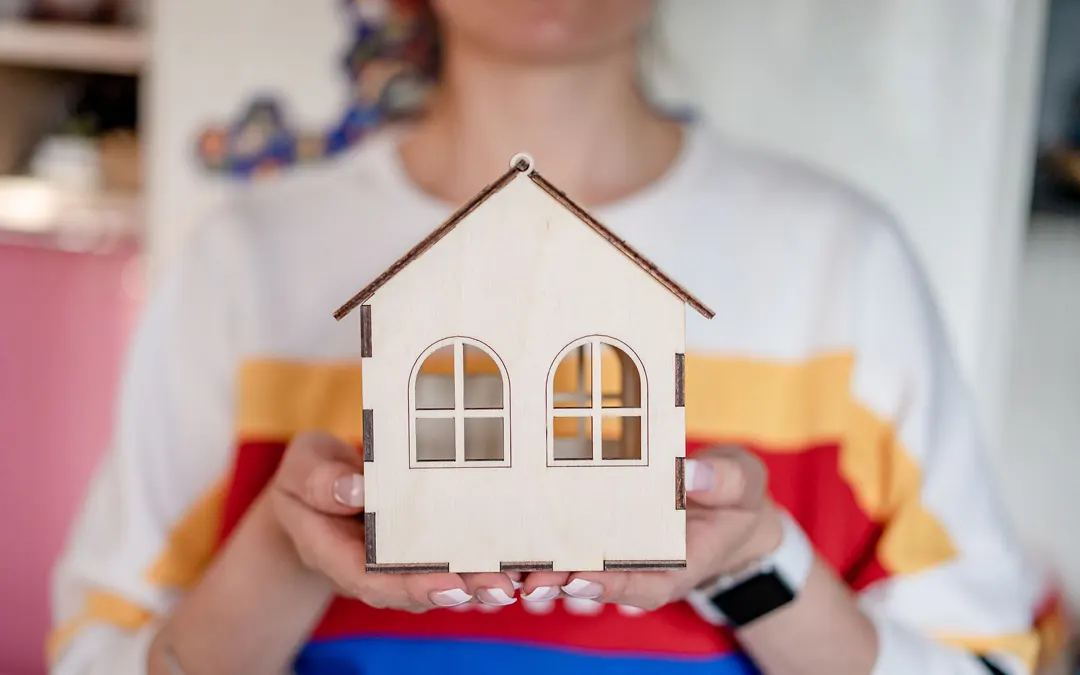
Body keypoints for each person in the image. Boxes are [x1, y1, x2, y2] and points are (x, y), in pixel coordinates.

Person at [49, 1, 1053, 673]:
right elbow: (98, 655)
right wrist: (283, 548)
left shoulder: (843, 259)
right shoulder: (245, 263)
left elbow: (990, 660)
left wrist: (754, 563)